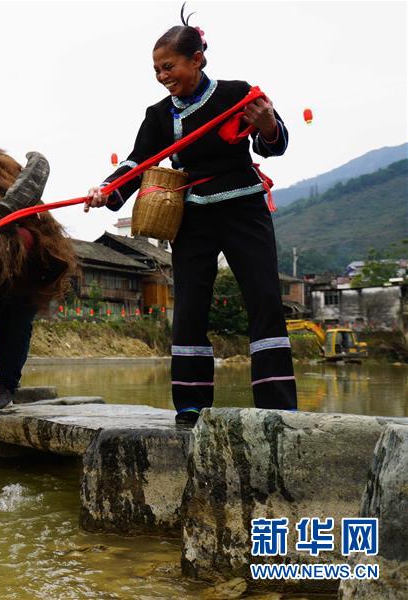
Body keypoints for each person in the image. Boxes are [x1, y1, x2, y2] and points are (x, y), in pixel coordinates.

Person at [85, 11, 296, 424]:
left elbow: (275, 142)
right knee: (189, 310)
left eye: (170, 66)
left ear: (196, 59)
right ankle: (191, 407)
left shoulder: (236, 94)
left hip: (242, 207)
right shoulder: (159, 115)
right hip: (193, 214)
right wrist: (108, 189)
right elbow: (138, 160)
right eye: (157, 69)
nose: (163, 75)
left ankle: (277, 407)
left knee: (265, 299)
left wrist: (268, 124)